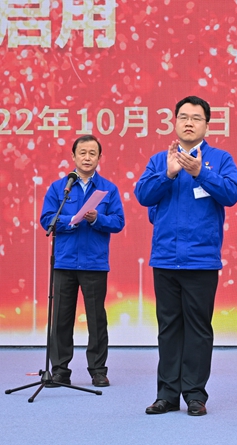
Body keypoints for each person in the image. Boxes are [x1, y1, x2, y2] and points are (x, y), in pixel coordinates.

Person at [135, 96, 237, 416]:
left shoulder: (220, 159)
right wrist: (167, 174)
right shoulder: (160, 160)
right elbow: (143, 195)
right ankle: (167, 395)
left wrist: (201, 173)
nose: (189, 123)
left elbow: (232, 194)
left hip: (201, 259)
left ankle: (195, 394)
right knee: (168, 328)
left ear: (207, 125)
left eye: (196, 118)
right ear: (175, 122)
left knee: (198, 329)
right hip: (165, 258)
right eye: (183, 117)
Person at [39, 135, 125, 388]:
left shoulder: (108, 189)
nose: (87, 158)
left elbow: (118, 222)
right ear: (73, 156)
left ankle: (98, 370)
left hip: (94, 263)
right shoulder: (60, 188)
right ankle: (60, 370)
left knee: (96, 319)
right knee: (61, 319)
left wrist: (97, 218)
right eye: (82, 153)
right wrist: (71, 220)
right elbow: (47, 219)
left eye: (92, 153)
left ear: (99, 158)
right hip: (64, 262)